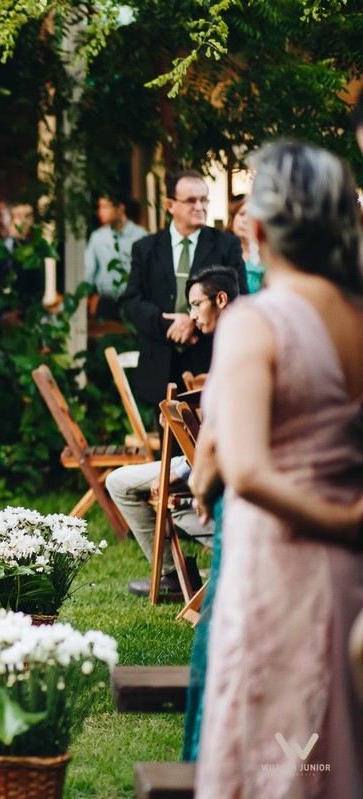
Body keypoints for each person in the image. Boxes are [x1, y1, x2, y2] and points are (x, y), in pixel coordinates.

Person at [191, 141, 363, 796]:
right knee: (336, 756)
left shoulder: (255, 322)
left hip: (279, 568)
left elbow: (249, 472)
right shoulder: (357, 315)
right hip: (349, 579)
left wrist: (341, 520)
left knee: (274, 763)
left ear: (257, 231)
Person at [109, 266, 240, 599]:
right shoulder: (230, 343)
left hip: (218, 469)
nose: (191, 315)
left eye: (196, 305)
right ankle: (180, 573)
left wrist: (180, 474)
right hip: (212, 464)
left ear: (220, 299)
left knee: (129, 487)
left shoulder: (239, 348)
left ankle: (186, 572)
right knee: (137, 487)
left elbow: (227, 431)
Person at [121, 170, 249, 408]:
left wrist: (194, 321)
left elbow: (240, 298)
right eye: (191, 200)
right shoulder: (146, 248)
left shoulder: (226, 245)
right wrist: (169, 325)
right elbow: (132, 301)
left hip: (210, 363)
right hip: (160, 363)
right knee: (166, 432)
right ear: (171, 205)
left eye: (204, 199)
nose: (200, 206)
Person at [84, 193, 148, 319]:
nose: (100, 212)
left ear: (120, 208)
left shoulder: (141, 236)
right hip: (105, 301)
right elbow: (88, 272)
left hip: (133, 300)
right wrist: (87, 299)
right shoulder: (98, 237)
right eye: (99, 207)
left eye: (105, 207)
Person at [226, 196, 264, 293]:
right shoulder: (221, 250)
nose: (246, 220)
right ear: (232, 218)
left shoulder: (265, 253)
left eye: (251, 216)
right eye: (242, 214)